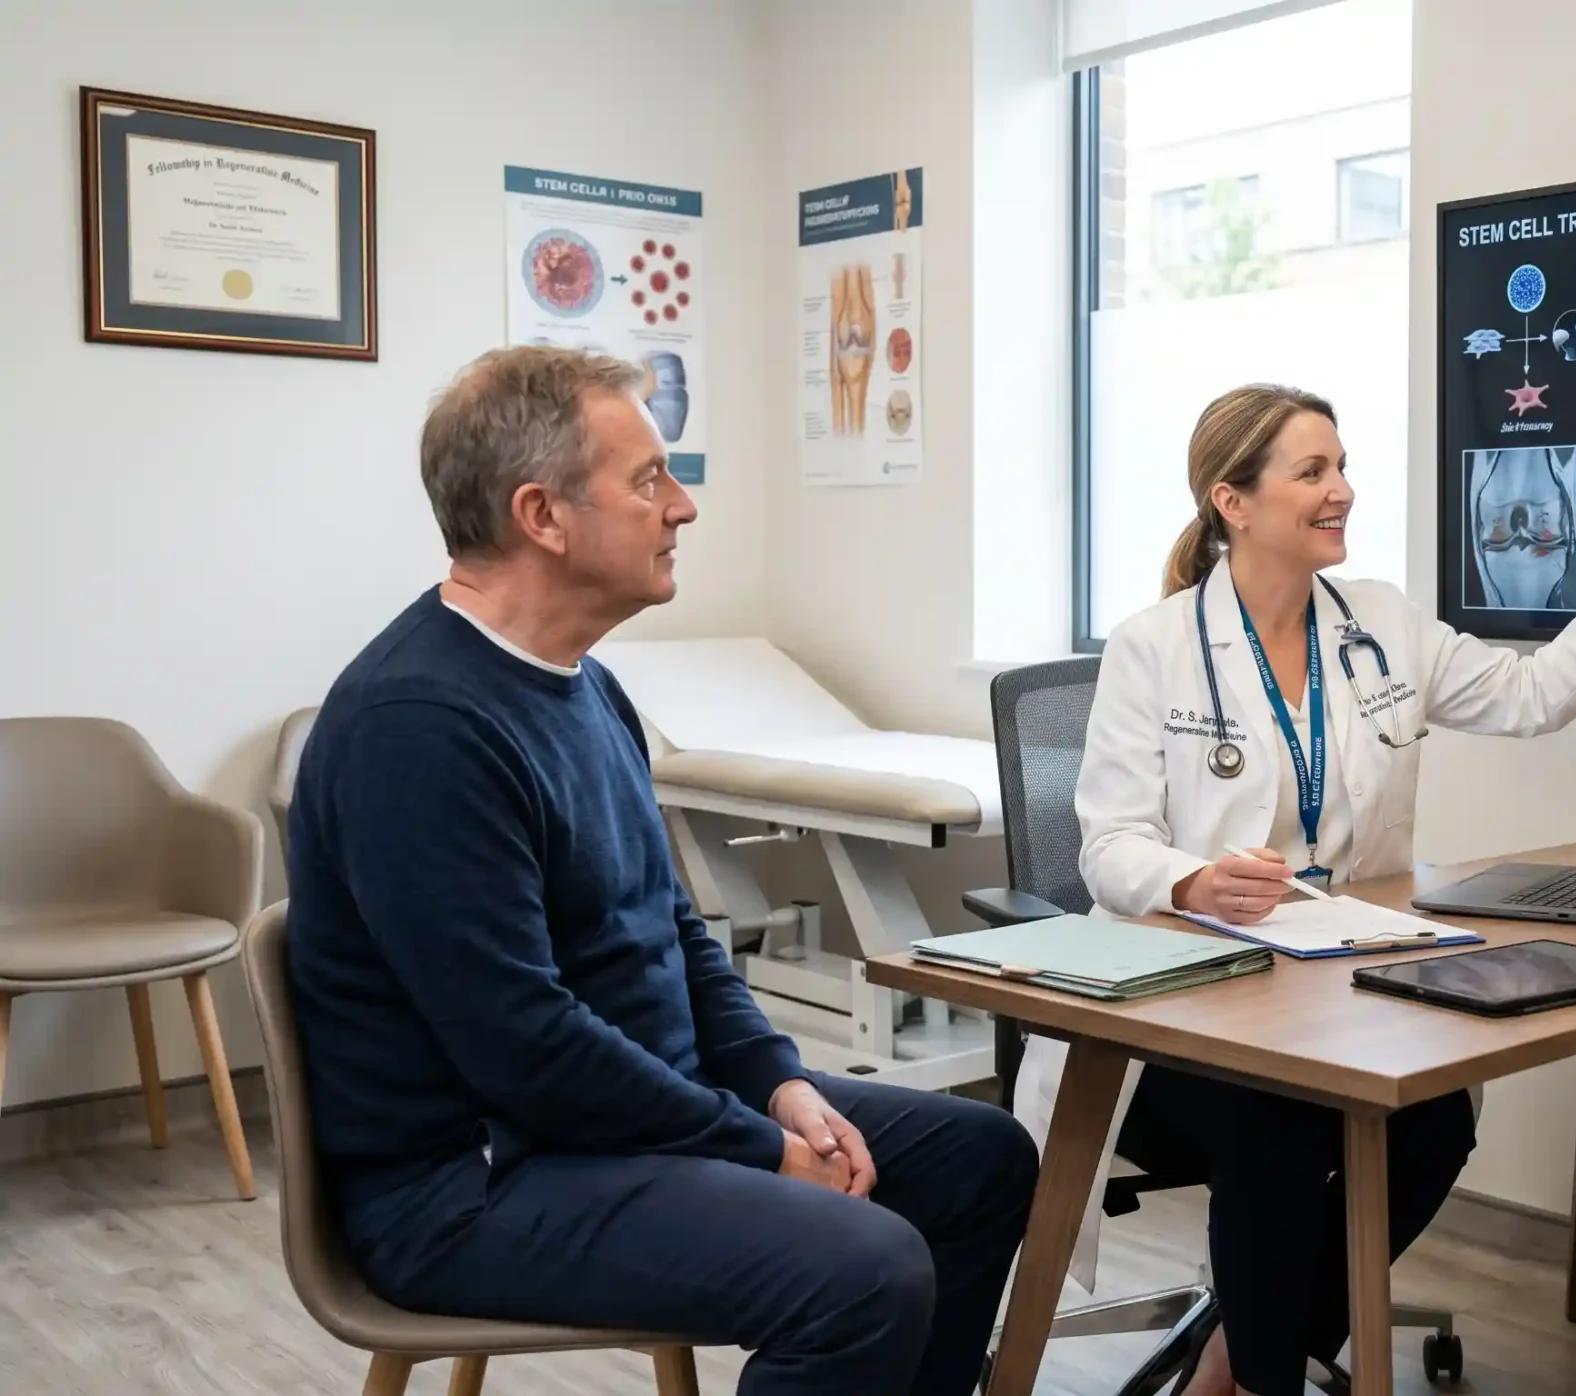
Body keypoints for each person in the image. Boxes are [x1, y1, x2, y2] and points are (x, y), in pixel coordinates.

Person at [286, 346, 1037, 1396]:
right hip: (478, 1182)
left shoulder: (588, 686)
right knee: (862, 1271)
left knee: (980, 1160)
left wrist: (774, 1079)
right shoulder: (417, 730)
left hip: (618, 1122)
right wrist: (754, 1146)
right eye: (648, 480)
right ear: (541, 515)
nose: (682, 506)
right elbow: (523, 1046)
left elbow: (673, 928)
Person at [1039, 383, 1576, 1396]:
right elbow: (1109, 849)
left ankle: (1234, 1359)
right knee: (1281, 1126)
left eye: (1342, 466)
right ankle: (1263, 1376)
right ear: (1233, 501)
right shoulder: (1156, 647)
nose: (1342, 491)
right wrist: (1193, 876)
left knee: (1436, 1119)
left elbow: (1527, 696)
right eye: (1312, 471)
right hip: (1185, 1004)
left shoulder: (1382, 624)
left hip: (1340, 983)